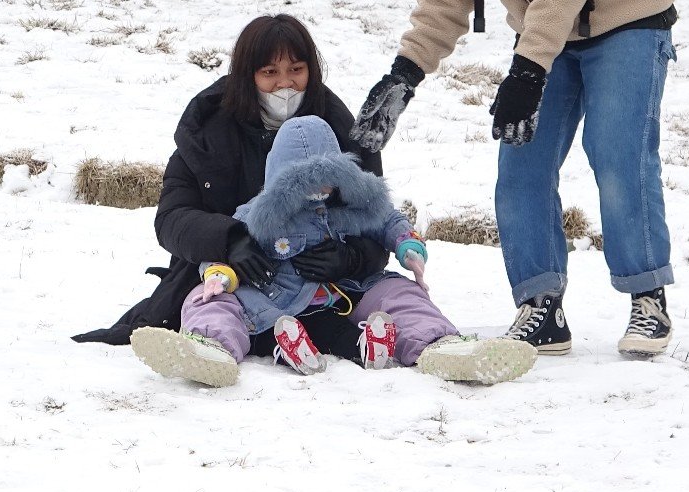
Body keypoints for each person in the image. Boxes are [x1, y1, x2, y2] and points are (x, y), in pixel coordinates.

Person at [350, 0, 678, 358]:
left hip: (626, 15)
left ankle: (647, 296)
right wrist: (403, 74)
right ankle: (541, 305)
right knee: (521, 164)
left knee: (618, 157)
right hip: (545, 32)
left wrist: (527, 71)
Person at [130, 115, 537, 387]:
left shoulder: (351, 205)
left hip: (347, 289)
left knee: (401, 293)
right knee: (207, 301)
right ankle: (210, 347)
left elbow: (386, 219)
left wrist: (407, 244)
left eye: (327, 180)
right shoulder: (259, 214)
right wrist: (220, 274)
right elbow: (223, 248)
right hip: (277, 296)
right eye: (305, 183)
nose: (319, 192)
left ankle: (441, 345)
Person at [72, 14, 387, 347]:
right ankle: (219, 347)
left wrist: (351, 257)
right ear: (247, 75)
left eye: (296, 70)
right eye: (270, 72)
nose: (285, 83)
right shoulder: (208, 131)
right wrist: (230, 240)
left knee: (390, 298)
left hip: (325, 290)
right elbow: (171, 219)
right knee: (209, 309)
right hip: (234, 279)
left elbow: (376, 218)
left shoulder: (340, 129)